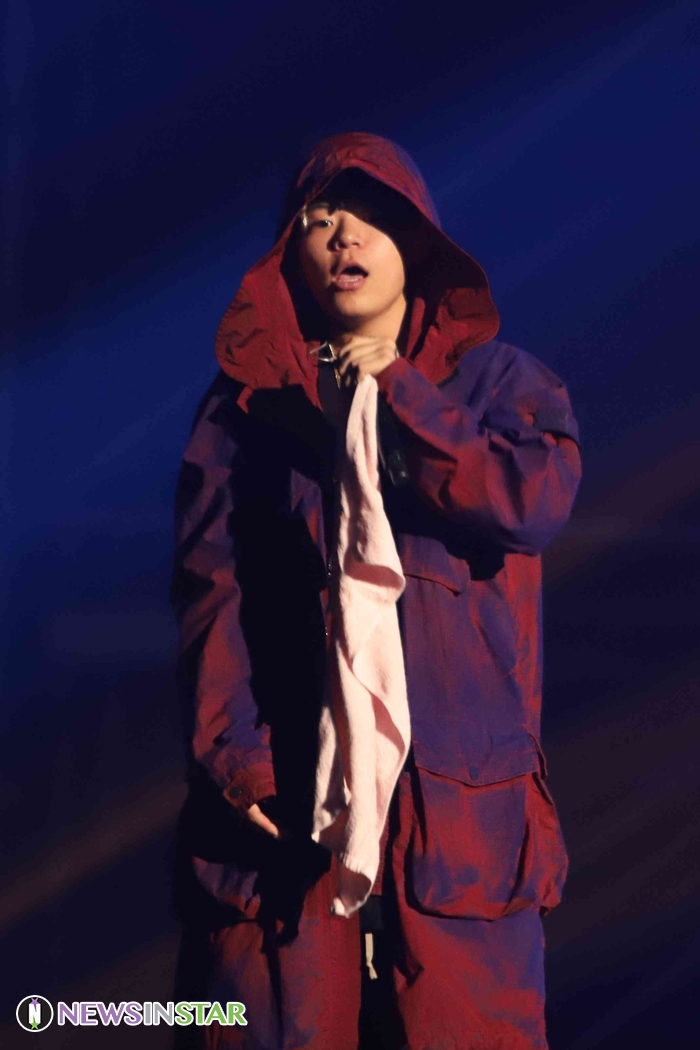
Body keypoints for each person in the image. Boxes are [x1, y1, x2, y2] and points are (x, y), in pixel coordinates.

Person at [169, 131, 582, 1050]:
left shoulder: (500, 384)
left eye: (370, 216)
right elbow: (212, 593)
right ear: (290, 256)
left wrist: (395, 389)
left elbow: (526, 502)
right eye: (319, 220)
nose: (344, 236)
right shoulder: (246, 409)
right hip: (287, 820)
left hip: (460, 833)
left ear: (417, 244)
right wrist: (237, 761)